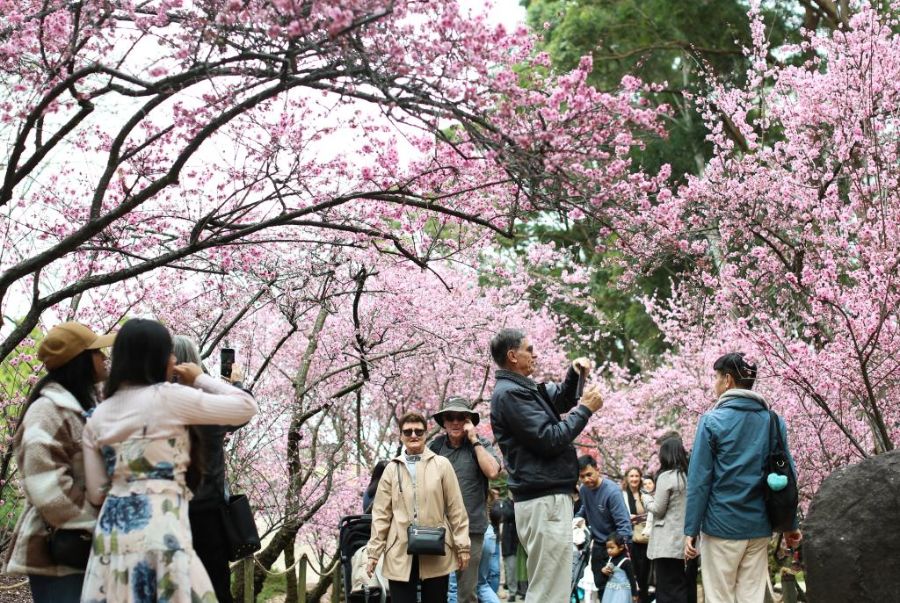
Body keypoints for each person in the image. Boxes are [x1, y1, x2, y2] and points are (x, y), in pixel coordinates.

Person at [80, 318, 259, 602]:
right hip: (162, 522)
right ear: (158, 357)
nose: (174, 359)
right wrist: (199, 378)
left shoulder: (98, 415)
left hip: (114, 529)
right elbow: (246, 407)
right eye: (169, 352)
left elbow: (96, 491)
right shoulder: (171, 398)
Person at [489, 328, 603, 603]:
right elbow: (549, 439)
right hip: (543, 499)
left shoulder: (521, 390)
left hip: (544, 498)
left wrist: (575, 374)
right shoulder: (510, 395)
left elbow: (561, 400)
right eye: (530, 349)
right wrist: (585, 410)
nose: (535, 354)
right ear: (512, 356)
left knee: (553, 585)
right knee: (549, 589)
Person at [2, 322, 114, 603]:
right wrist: (101, 520)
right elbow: (47, 488)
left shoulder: (86, 407)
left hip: (88, 548)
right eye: (97, 352)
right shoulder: (46, 412)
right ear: (79, 360)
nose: (104, 357)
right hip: (60, 553)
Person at [684, 352, 802, 603]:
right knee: (751, 598)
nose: (714, 383)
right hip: (759, 527)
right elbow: (788, 474)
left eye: (716, 377)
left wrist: (690, 529)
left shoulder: (711, 421)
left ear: (727, 380)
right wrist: (790, 525)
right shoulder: (773, 421)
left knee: (720, 597)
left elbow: (699, 481)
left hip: (721, 526)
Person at [173, 335, 249, 603]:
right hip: (207, 513)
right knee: (214, 587)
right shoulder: (207, 405)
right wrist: (234, 382)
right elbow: (244, 407)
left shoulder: (156, 402)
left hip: (168, 513)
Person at [366, 412, 471, 602]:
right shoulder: (392, 468)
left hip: (436, 546)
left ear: (425, 433)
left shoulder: (442, 465)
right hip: (399, 549)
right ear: (400, 436)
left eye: (418, 431)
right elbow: (381, 513)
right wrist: (374, 553)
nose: (413, 435)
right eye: (408, 432)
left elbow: (456, 508)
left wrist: (462, 546)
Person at [429, 396, 501, 603]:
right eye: (450, 417)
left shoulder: (480, 445)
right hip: (438, 529)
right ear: (443, 422)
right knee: (436, 589)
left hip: (472, 529)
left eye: (461, 417)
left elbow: (493, 472)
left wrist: (474, 439)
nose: (455, 422)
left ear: (469, 421)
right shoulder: (436, 447)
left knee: (467, 592)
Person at [576, 455, 632, 600]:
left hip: (615, 547)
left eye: (589, 474)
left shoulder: (612, 491)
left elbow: (624, 526)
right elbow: (585, 507)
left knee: (617, 591)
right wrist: (577, 518)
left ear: (597, 470)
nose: (586, 479)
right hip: (598, 546)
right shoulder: (583, 490)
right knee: (601, 588)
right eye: (582, 476)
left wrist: (618, 555)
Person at [641, 437, 690, 603]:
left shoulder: (666, 477)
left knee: (666, 587)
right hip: (684, 540)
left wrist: (646, 498)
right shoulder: (687, 476)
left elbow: (658, 510)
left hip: (666, 542)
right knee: (680, 584)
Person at [622, 467, 651, 603]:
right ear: (627, 478)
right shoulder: (621, 494)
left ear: (640, 478)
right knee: (630, 575)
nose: (634, 479)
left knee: (643, 576)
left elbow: (648, 512)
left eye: (636, 476)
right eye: (631, 476)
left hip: (643, 540)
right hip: (628, 540)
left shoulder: (644, 494)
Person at [494, 494, 521, 601]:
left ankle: (520, 589)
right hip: (509, 540)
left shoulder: (519, 500)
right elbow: (507, 514)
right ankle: (512, 591)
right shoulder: (505, 503)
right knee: (510, 566)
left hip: (521, 538)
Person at [600, 534, 638, 603]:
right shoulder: (609, 559)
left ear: (621, 547)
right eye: (607, 548)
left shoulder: (625, 562)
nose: (609, 550)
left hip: (622, 592)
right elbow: (607, 575)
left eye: (612, 548)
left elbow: (632, 578)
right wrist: (603, 571)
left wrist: (634, 594)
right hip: (609, 591)